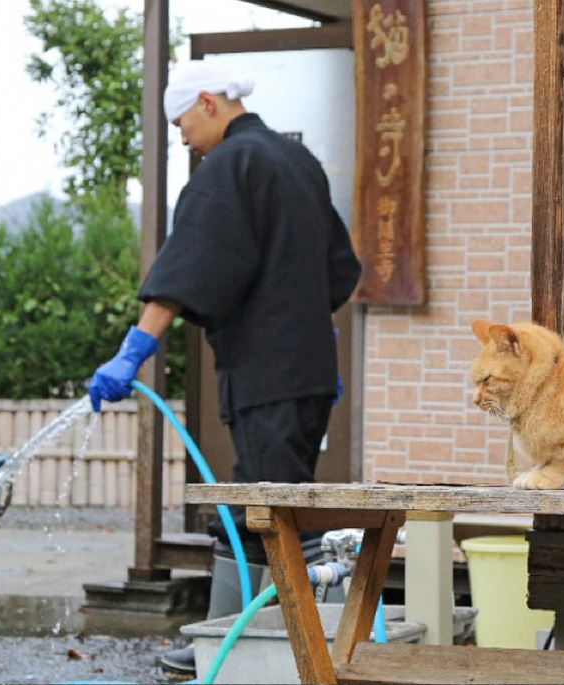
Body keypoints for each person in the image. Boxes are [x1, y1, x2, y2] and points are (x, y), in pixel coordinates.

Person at [88, 60, 361, 677]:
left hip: (266, 375)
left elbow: (186, 270)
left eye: (181, 120)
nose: (180, 134)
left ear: (209, 103)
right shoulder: (299, 162)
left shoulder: (231, 168)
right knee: (257, 505)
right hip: (308, 370)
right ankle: (234, 640)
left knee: (272, 511)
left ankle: (301, 646)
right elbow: (336, 271)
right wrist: (320, 345)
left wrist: (135, 349)